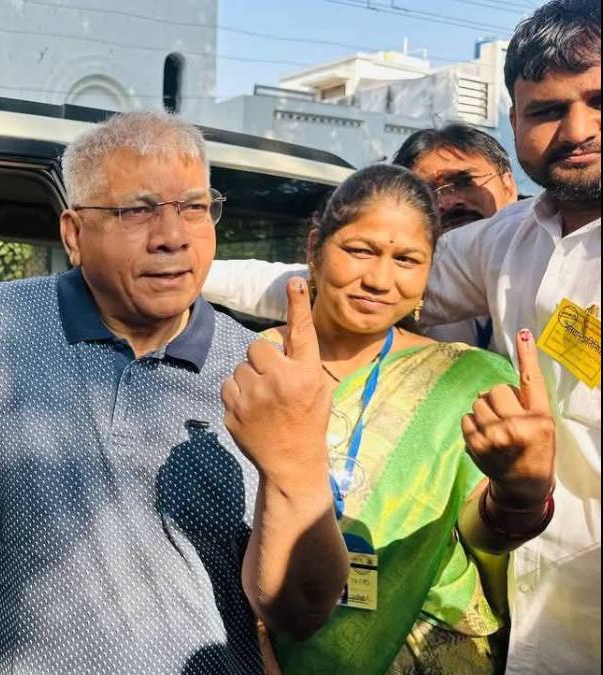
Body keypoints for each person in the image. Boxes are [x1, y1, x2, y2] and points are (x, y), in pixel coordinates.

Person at [201, 1, 600, 671]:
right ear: (514, 119)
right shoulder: (505, 240)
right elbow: (342, 283)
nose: (578, 129)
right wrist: (178, 270)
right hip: (530, 619)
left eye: (597, 99)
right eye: (547, 111)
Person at [0, 111, 349, 674]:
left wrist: (294, 465)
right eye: (138, 210)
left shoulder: (255, 372)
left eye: (194, 208)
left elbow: (297, 613)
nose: (172, 238)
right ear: (74, 235)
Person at [243, 164, 553, 674]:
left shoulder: (469, 378)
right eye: (360, 250)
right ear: (315, 246)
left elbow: (484, 537)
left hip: (431, 649)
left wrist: (521, 492)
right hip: (264, 640)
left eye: (407, 259)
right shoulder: (252, 365)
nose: (379, 280)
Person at [393, 123, 519, 347]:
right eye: (426, 192)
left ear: (508, 187)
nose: (448, 202)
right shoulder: (395, 286)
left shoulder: (553, 250)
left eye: (464, 182)